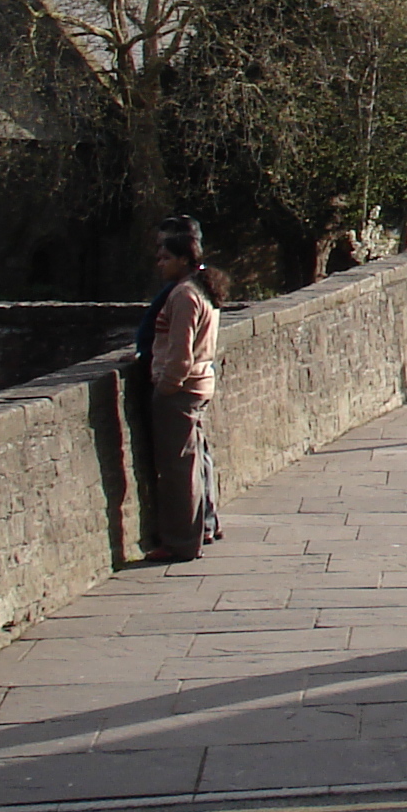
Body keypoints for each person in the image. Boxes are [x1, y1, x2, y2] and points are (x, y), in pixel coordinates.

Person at [141, 217, 224, 564]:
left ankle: (181, 542)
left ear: (181, 260)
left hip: (183, 390)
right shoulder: (199, 290)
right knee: (193, 462)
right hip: (197, 385)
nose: (160, 264)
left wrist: (166, 386)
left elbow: (180, 353)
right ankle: (201, 528)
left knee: (178, 470)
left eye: (164, 258)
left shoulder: (185, 295)